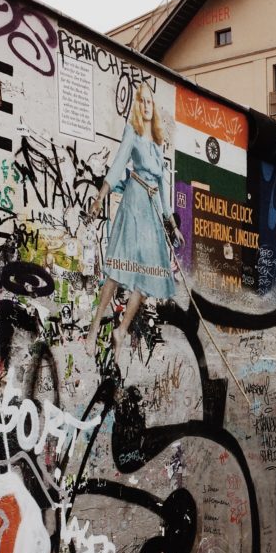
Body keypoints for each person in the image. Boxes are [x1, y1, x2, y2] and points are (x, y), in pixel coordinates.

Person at [85, 83, 179, 366]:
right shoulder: (133, 133)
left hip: (151, 211)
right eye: (143, 101)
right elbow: (117, 165)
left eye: (151, 101)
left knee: (145, 278)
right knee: (117, 269)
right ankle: (94, 328)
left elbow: (163, 186)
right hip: (134, 202)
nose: (147, 106)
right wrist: (101, 195)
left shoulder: (157, 143)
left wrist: (171, 222)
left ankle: (121, 330)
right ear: (138, 105)